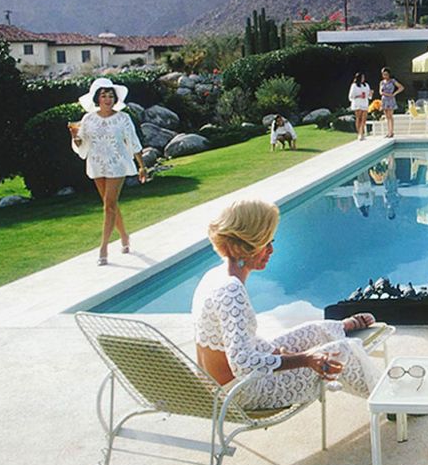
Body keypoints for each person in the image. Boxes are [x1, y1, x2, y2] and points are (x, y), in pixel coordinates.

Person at [193, 199, 380, 409]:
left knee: (314, 330)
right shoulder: (232, 290)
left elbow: (238, 341)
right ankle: (390, 402)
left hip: (221, 386)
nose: (271, 250)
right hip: (242, 393)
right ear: (246, 244)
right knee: (344, 350)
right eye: (266, 243)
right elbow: (242, 363)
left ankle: (342, 326)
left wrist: (277, 353)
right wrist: (305, 359)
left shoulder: (213, 276)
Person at [69, 77, 147, 266]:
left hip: (117, 164)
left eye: (110, 95)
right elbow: (82, 144)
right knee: (110, 205)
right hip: (96, 164)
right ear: (97, 98)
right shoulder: (88, 119)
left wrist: (142, 166)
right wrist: (75, 137)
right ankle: (124, 237)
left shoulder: (123, 118)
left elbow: (133, 142)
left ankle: (103, 248)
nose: (107, 99)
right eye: (104, 95)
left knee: (109, 205)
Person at [378, 67, 405, 138]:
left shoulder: (392, 81)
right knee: (387, 116)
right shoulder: (382, 82)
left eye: (386, 74)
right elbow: (380, 92)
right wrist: (386, 94)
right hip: (384, 99)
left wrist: (394, 94)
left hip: (390, 99)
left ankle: (391, 132)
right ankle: (388, 131)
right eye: (383, 74)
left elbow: (401, 87)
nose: (385, 76)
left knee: (390, 116)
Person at [348, 72, 372, 140]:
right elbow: (351, 96)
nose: (363, 79)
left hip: (364, 103)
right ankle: (359, 133)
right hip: (357, 103)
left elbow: (369, 95)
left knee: (364, 119)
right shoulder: (354, 85)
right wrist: (359, 95)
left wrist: (370, 93)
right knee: (359, 118)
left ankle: (362, 132)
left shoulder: (366, 85)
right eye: (362, 77)